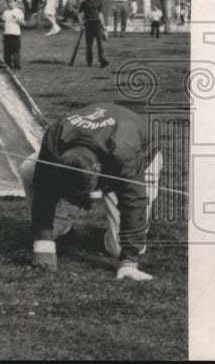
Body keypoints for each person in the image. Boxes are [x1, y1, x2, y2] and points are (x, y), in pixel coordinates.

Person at [20, 103, 162, 281]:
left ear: (99, 169)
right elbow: (43, 188)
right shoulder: (55, 139)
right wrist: (43, 244)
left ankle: (127, 233)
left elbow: (133, 202)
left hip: (141, 160)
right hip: (101, 151)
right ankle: (59, 228)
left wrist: (129, 262)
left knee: (117, 249)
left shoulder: (124, 150)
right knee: (29, 168)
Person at [77, 0, 109, 68]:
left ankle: (102, 61)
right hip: (88, 25)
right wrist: (81, 24)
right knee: (89, 45)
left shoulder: (98, 2)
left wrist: (104, 26)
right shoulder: (85, 2)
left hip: (98, 25)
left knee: (100, 44)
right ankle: (89, 62)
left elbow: (100, 14)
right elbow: (79, 13)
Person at [1, 0, 25, 72]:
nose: (9, 4)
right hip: (7, 34)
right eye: (8, 2)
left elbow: (23, 23)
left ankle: (17, 67)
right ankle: (8, 67)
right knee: (7, 53)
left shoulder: (18, 12)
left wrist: (18, 20)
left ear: (15, 3)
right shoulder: (5, 12)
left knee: (15, 52)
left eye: (11, 2)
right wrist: (3, 35)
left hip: (15, 35)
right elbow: (4, 24)